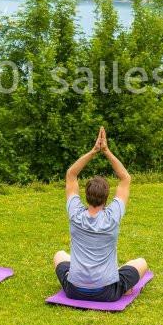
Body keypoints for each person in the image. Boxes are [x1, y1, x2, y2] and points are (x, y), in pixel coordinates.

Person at [53, 127, 149, 302]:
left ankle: (81, 280)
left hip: (74, 290)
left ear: (86, 196)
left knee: (59, 255)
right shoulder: (112, 217)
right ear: (107, 198)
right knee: (141, 262)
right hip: (107, 292)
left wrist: (93, 151)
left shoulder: (75, 214)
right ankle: (122, 287)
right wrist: (106, 151)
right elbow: (125, 178)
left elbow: (71, 174)